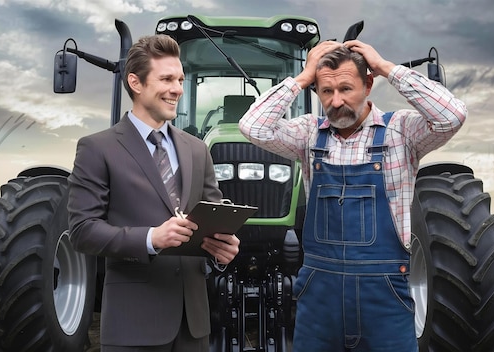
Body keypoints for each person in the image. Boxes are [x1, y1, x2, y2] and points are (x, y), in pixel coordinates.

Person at [239, 40, 467, 351]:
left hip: (385, 300)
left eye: (346, 89)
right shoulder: (309, 134)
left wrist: (386, 67)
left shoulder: (401, 132)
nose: (335, 101)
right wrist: (303, 78)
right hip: (320, 303)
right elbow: (253, 127)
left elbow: (451, 116)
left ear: (368, 84)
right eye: (325, 91)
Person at [67, 34, 240, 352]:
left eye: (180, 79)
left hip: (193, 326)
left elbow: (212, 221)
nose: (177, 89)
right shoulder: (97, 148)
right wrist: (151, 238)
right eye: (166, 79)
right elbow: (82, 232)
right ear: (135, 82)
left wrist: (221, 251)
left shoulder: (198, 150)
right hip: (133, 325)